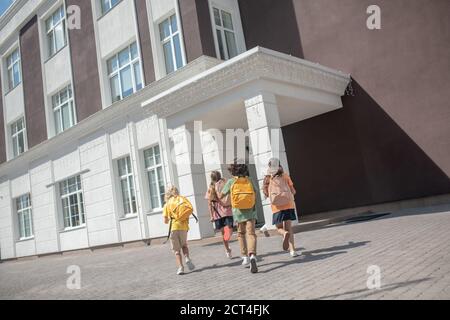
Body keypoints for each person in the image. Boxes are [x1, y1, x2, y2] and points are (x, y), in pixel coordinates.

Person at [218, 160, 259, 273]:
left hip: (238, 212)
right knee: (251, 233)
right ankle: (252, 256)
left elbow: (221, 195)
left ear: (233, 171)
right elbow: (255, 192)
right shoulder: (249, 180)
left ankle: (245, 256)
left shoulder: (231, 182)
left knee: (241, 234)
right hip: (250, 211)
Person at [263, 158, 299, 257]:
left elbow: (266, 194)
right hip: (288, 205)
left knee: (279, 228)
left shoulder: (268, 179)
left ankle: (283, 233)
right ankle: (293, 251)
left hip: (276, 207)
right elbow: (293, 191)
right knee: (289, 228)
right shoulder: (285, 176)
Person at [163, 185, 196, 275]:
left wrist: (170, 217)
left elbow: (165, 221)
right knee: (184, 245)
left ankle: (181, 267)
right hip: (183, 227)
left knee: (176, 251)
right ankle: (187, 258)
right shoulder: (181, 200)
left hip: (174, 228)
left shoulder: (167, 204)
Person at [205, 171, 234, 259]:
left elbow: (209, 203)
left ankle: (227, 249)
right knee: (228, 230)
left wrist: (211, 216)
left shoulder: (222, 183)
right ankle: (227, 249)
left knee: (225, 232)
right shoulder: (215, 186)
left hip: (221, 212)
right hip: (222, 211)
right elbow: (210, 202)